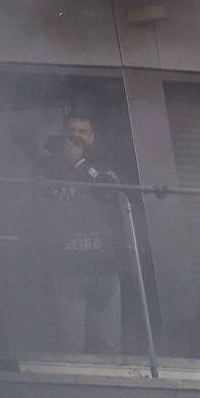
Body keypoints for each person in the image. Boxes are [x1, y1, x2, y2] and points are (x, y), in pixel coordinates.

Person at [34, 110, 124, 355]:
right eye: (71, 131)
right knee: (71, 346)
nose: (76, 136)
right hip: (66, 268)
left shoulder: (104, 166)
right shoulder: (45, 167)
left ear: (92, 137)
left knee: (108, 344)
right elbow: (36, 204)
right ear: (63, 134)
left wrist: (79, 164)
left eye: (82, 132)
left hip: (103, 267)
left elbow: (111, 193)